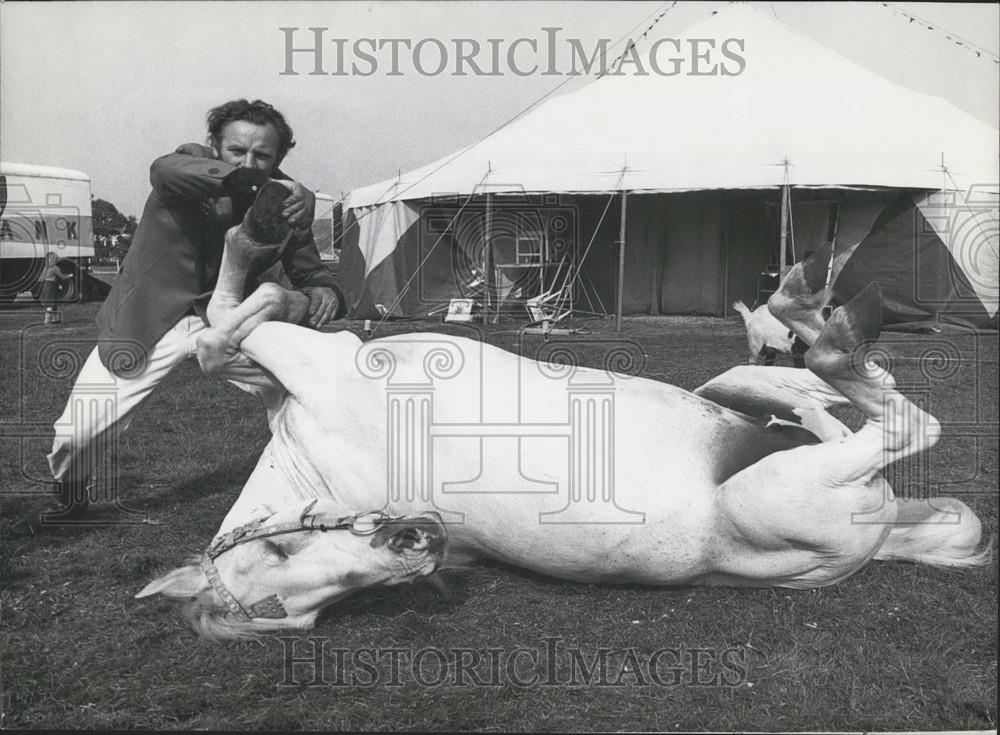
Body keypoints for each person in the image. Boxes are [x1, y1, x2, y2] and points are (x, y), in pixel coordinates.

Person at [16, 99, 344, 533]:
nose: (248, 161)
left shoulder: (288, 205)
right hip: (148, 319)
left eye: (262, 156)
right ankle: (71, 499)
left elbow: (313, 272)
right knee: (79, 431)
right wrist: (256, 181)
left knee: (307, 398)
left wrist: (325, 292)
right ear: (213, 145)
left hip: (230, 322)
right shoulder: (187, 163)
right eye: (236, 150)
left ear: (279, 158)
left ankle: (328, 496)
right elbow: (165, 170)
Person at [39, 252, 74, 324]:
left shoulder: (46, 268)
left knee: (53, 303)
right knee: (51, 304)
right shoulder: (55, 268)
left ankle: (55, 320)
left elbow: (41, 278)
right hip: (51, 286)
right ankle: (47, 320)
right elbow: (63, 277)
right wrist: (70, 275)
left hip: (46, 286)